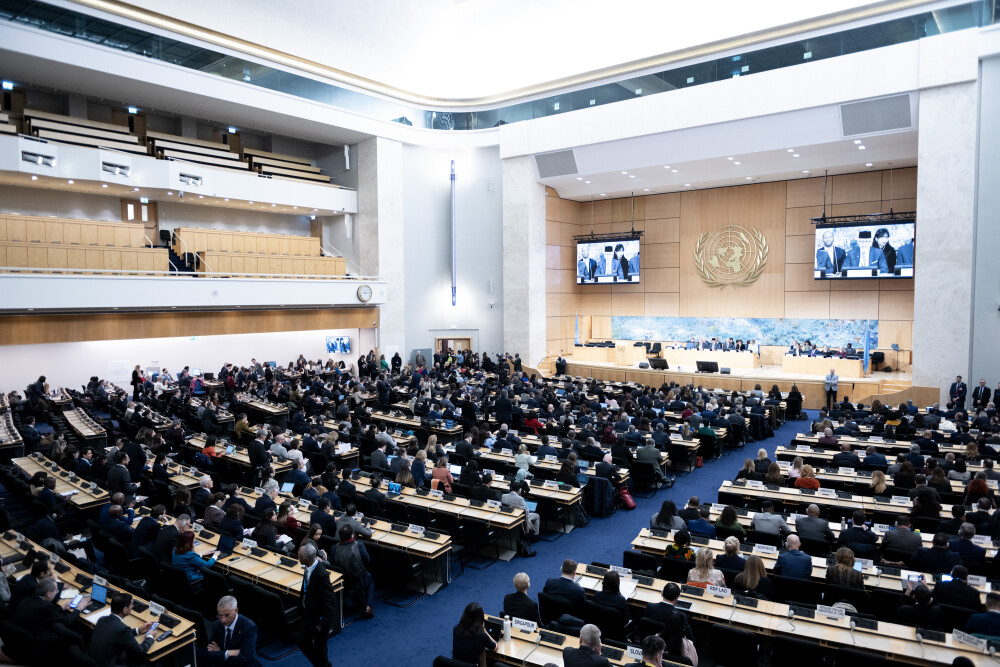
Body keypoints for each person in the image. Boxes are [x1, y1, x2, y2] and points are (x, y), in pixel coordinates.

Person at [88, 593, 156, 667]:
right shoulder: (122, 629)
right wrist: (150, 637)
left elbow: (117, 634)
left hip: (96, 660)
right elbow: (140, 651)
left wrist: (138, 630)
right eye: (131, 605)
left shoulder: (102, 619)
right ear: (125, 609)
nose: (133, 607)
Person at [298, 543, 336, 667]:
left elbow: (330, 601)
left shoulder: (321, 574)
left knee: (320, 651)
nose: (298, 559)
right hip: (309, 614)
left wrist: (323, 623)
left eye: (300, 557)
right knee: (303, 643)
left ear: (307, 559)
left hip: (319, 620)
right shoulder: (308, 567)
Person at [197, 595, 261, 667]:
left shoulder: (249, 627)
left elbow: (244, 658)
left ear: (236, 611)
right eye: (220, 616)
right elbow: (210, 651)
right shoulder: (217, 625)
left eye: (227, 615)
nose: (223, 620)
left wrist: (220, 653)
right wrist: (227, 653)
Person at [332, 524, 375, 618]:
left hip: (343, 582)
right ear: (352, 535)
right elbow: (367, 560)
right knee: (370, 580)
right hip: (359, 579)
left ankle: (356, 600)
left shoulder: (334, 548)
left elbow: (333, 565)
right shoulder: (359, 545)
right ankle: (368, 607)